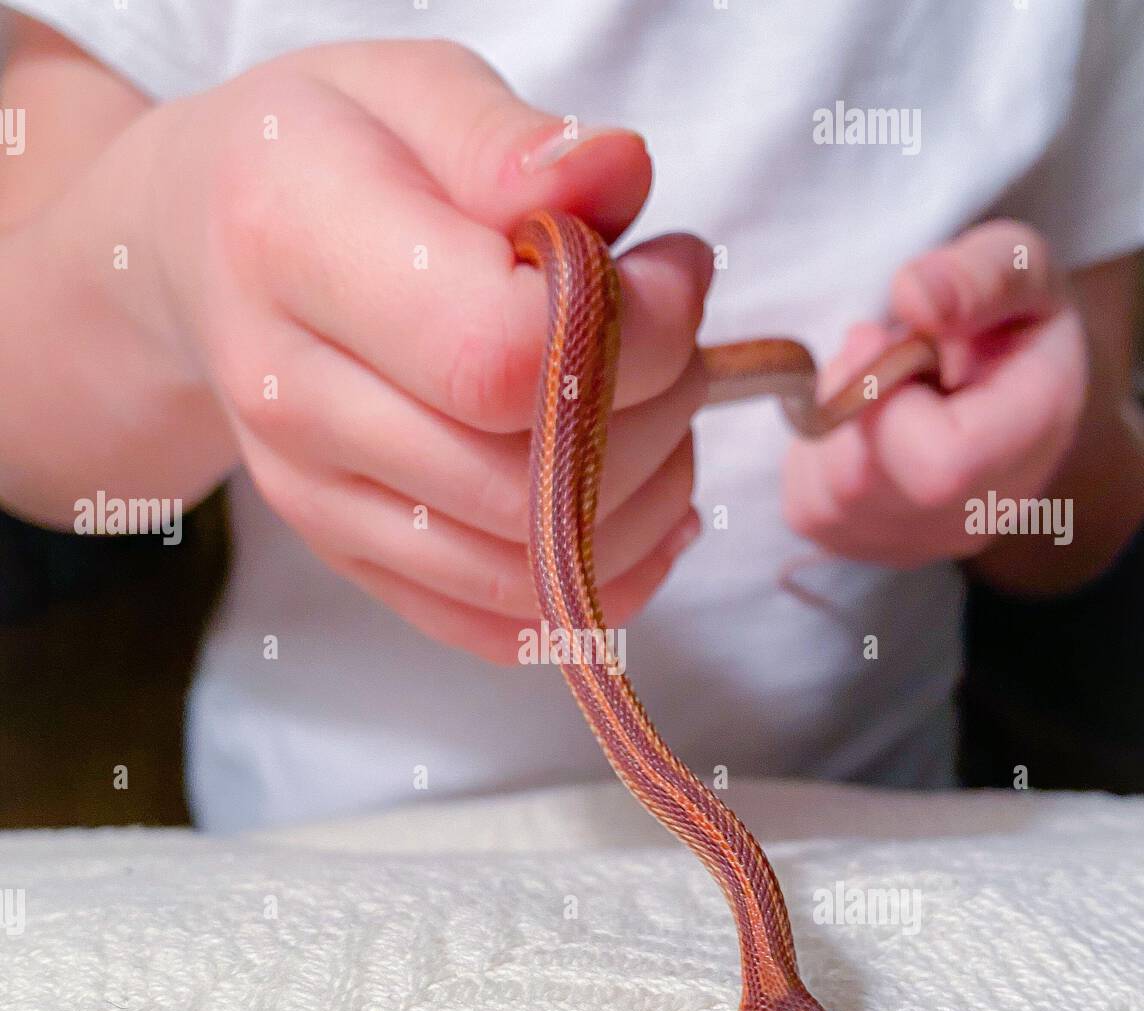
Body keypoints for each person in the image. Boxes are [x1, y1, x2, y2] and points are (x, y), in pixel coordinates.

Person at [0, 1, 1141, 830]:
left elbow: (1086, 523)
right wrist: (164, 245)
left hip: (885, 819)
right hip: (320, 846)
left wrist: (1033, 446)